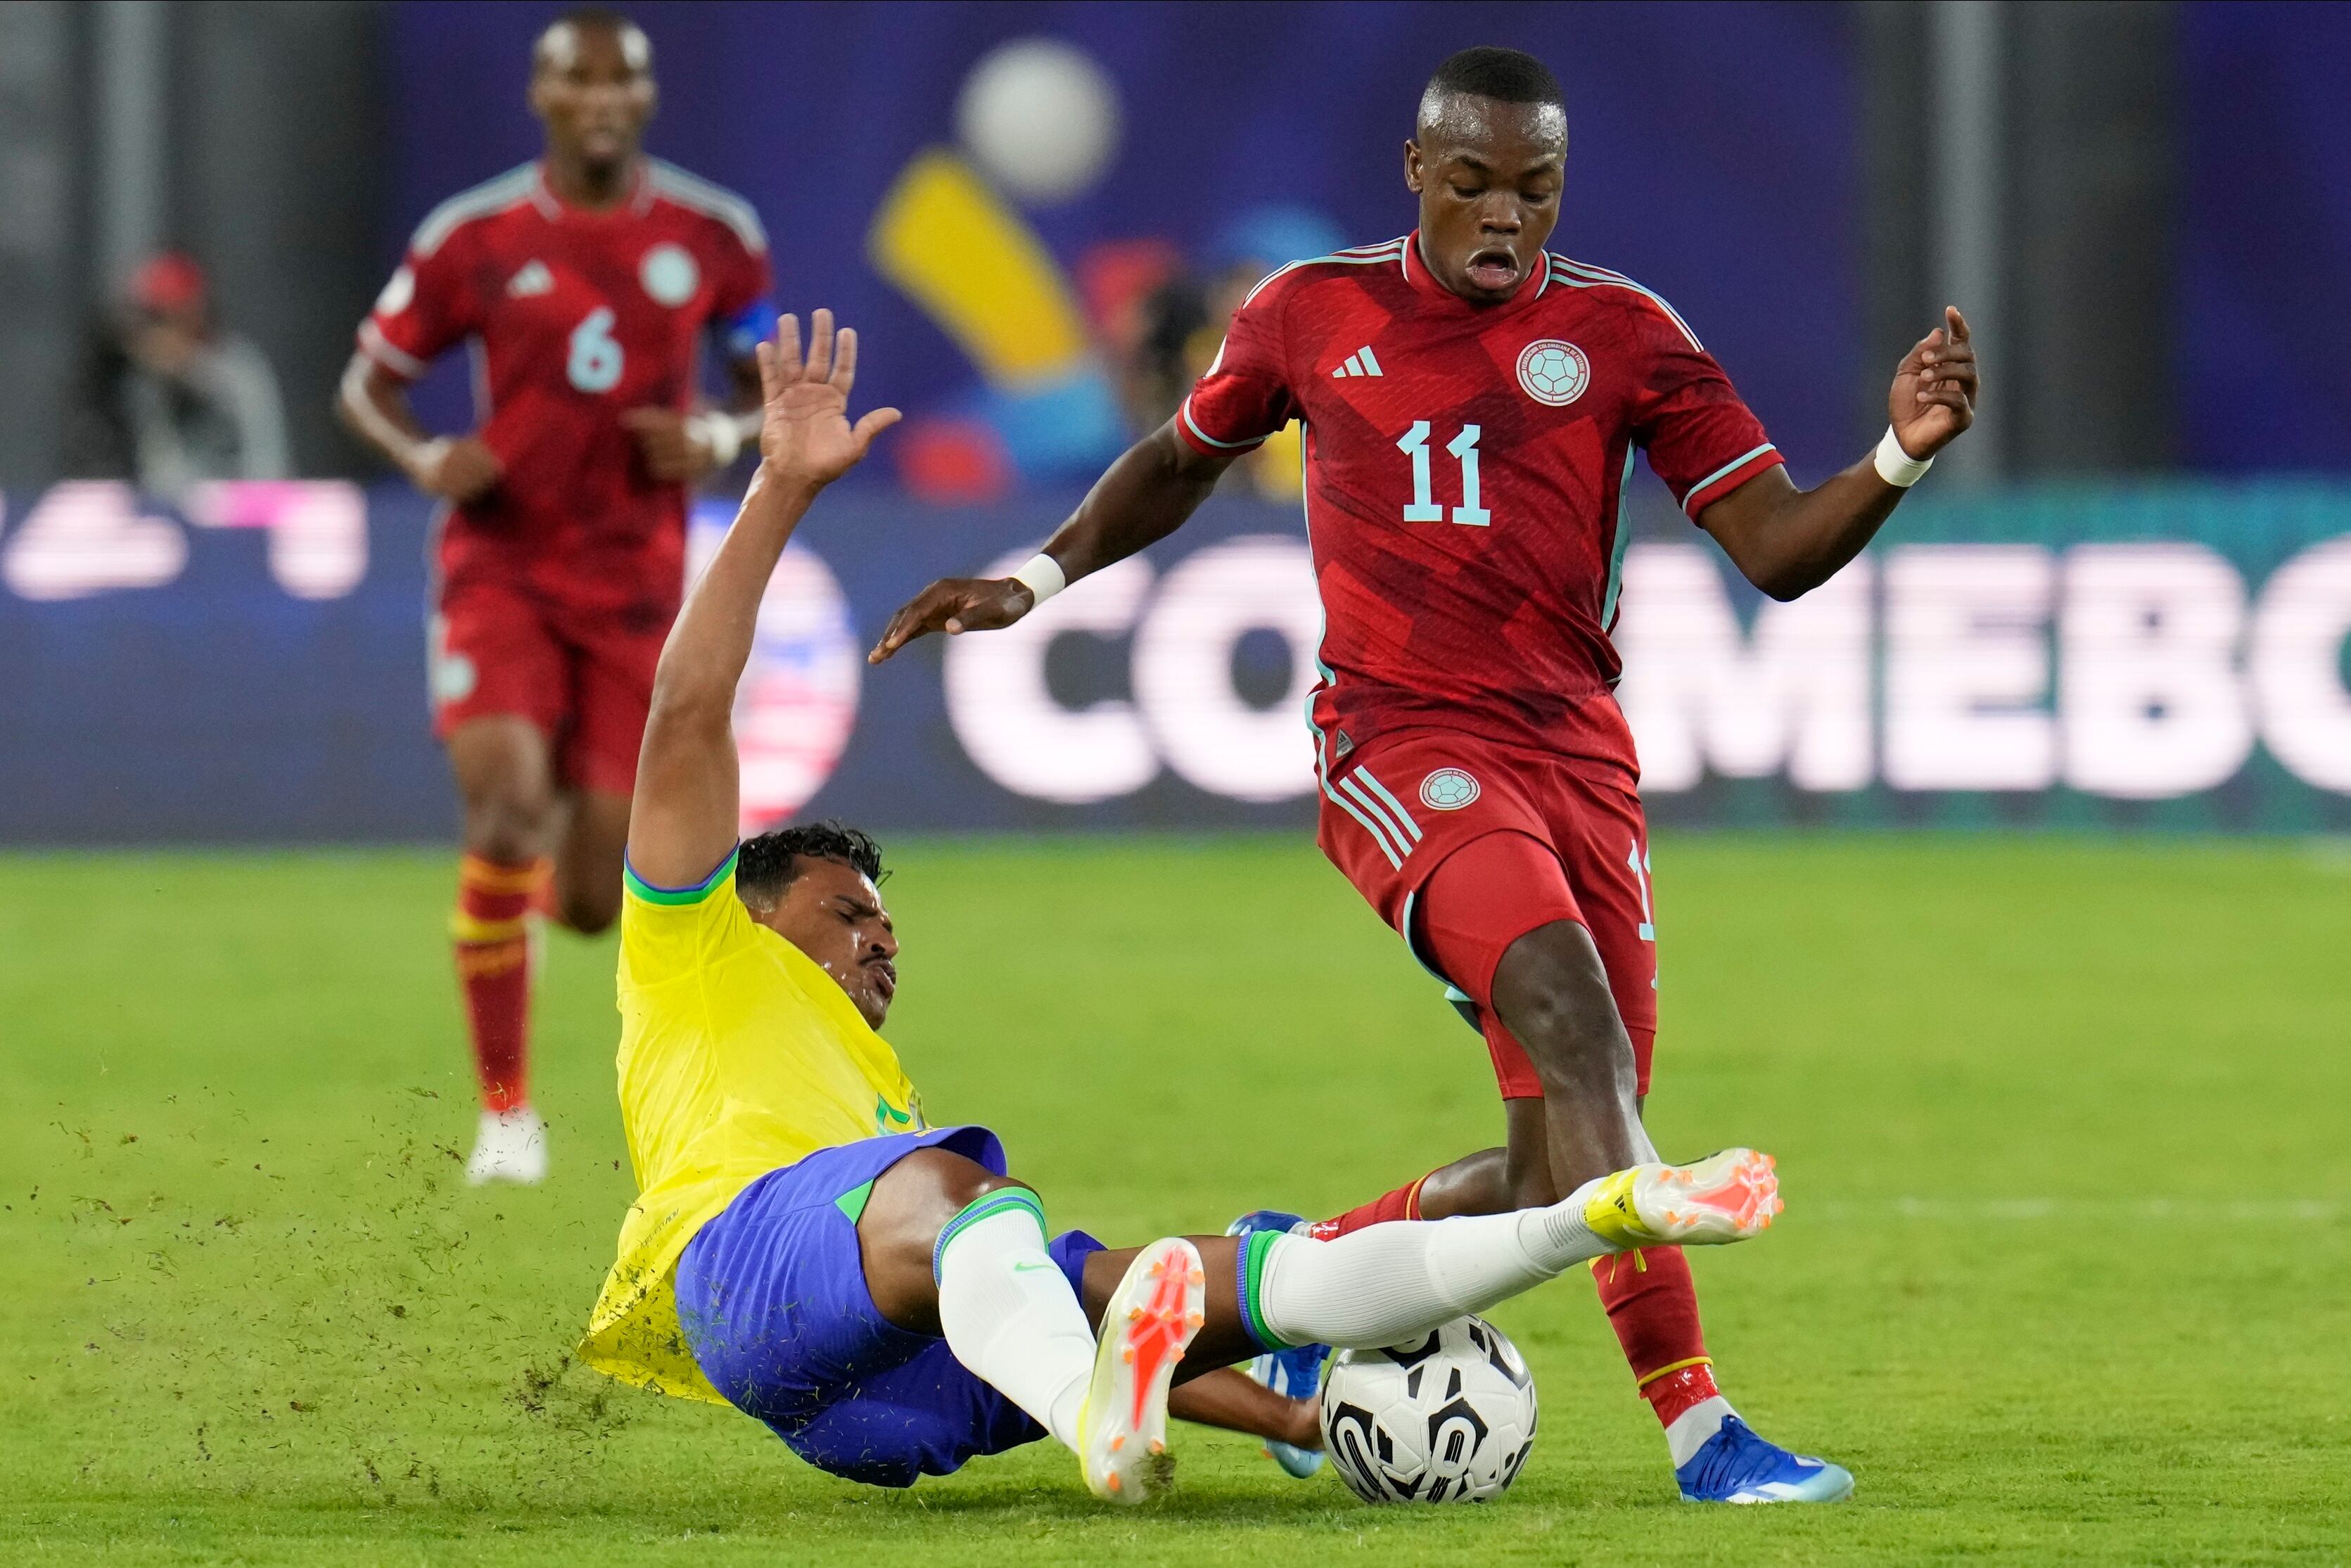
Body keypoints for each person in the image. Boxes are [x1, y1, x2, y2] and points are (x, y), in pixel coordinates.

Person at [871, 46, 1978, 1505]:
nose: (1504, 213)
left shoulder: (1625, 333)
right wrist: (1032, 576)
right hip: (1399, 744)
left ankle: (1252, 1284)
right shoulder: (1309, 311)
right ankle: (1703, 1431)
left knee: (1559, 1168)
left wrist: (1895, 455)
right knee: (1576, 1030)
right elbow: (1178, 459)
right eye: (1473, 182)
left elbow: (1775, 549)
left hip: (1576, 758)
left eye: (1535, 188)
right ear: (1415, 172)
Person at [580, 305, 1785, 1501]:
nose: (882, 934)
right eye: (848, 914)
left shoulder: (872, 1098)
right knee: (959, 1198)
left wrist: (1295, 1417)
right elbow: (685, 712)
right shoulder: (693, 950)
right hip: (738, 1269)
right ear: (751, 913)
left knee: (1219, 1282)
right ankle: (1096, 1421)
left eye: (885, 918)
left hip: (872, 1395)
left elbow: (1095, 1315)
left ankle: (1594, 1212)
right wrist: (782, 486)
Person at [336, 8, 775, 1184]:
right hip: (503, 567)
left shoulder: (713, 237)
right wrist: (425, 456)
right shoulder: (474, 238)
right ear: (542, 96)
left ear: (646, 98)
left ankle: (525, 925)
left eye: (620, 81)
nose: (600, 100)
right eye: (578, 80)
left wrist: (718, 432)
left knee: (588, 896)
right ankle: (505, 1117)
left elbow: (766, 387)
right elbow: (367, 384)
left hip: (636, 584)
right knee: (503, 809)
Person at [63, 251, 290, 502]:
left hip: (235, 513)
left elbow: (267, 467)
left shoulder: (237, 370)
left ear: (193, 314)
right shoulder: (135, 382)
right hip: (161, 515)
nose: (155, 334)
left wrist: (190, 371)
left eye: (163, 318)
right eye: (148, 321)